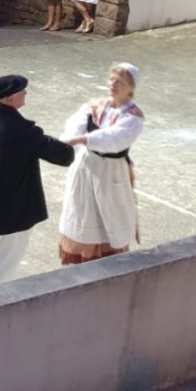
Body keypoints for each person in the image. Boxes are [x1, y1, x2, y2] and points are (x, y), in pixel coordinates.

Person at [0, 75, 74, 294]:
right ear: (11, 99)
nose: (25, 94)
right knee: (12, 246)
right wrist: (75, 142)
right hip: (10, 200)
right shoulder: (21, 131)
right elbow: (63, 155)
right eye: (22, 92)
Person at [58, 63, 144, 264]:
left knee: (109, 212)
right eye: (112, 80)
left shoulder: (133, 116)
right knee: (83, 209)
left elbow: (116, 138)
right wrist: (68, 141)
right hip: (86, 165)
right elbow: (75, 125)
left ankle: (106, 260)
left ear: (131, 87)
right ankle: (82, 256)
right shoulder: (96, 106)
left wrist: (83, 139)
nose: (113, 84)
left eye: (120, 82)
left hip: (111, 170)